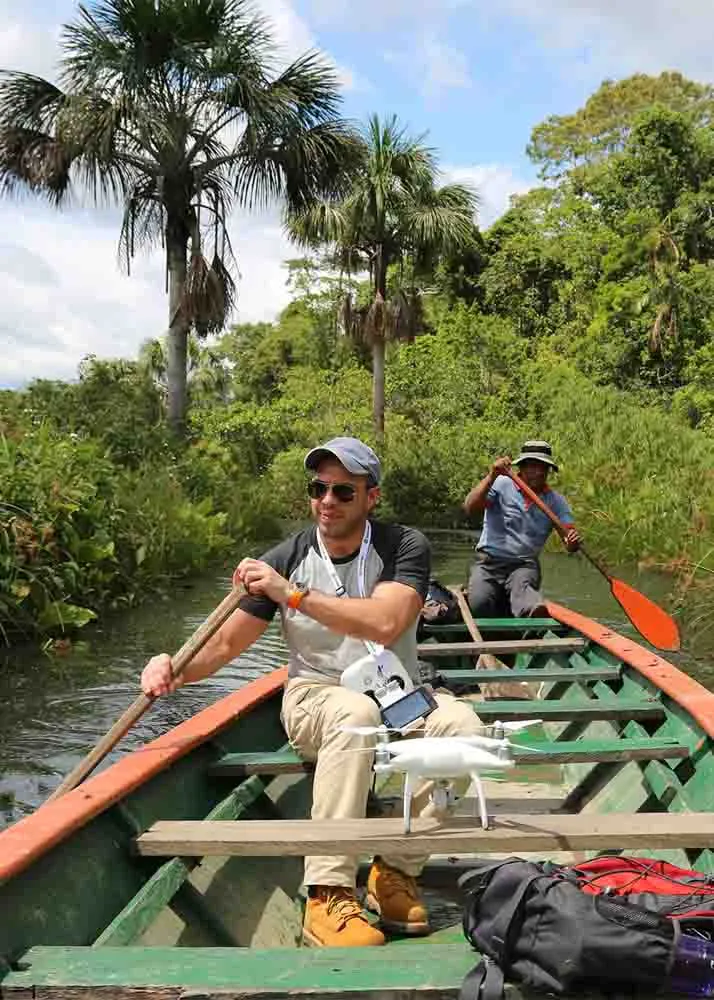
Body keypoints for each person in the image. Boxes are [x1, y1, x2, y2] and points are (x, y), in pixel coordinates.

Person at [141, 435, 480, 948]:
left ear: (372, 498)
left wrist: (291, 594)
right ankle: (327, 892)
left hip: (396, 694)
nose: (327, 500)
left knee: (464, 728)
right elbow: (229, 642)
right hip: (316, 697)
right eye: (318, 488)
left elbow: (387, 622)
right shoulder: (289, 555)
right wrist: (175, 668)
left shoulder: (403, 546)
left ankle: (394, 871)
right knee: (353, 714)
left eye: (344, 491)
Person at [463, 440, 581, 619]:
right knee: (480, 604)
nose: (539, 472)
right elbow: (470, 507)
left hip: (523, 565)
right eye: (533, 467)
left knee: (527, 599)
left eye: (543, 468)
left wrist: (571, 541)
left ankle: (532, 617)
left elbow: (570, 543)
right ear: (522, 468)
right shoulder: (501, 483)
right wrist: (491, 476)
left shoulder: (556, 502)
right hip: (489, 562)